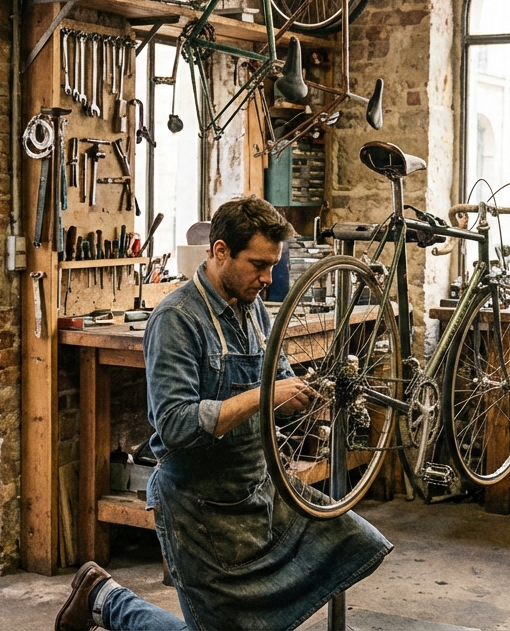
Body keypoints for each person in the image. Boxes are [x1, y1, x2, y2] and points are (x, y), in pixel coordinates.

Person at [56, 197, 393, 631]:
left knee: (354, 542)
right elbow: (176, 425)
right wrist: (264, 394)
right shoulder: (176, 319)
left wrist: (313, 397)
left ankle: (103, 598)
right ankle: (107, 600)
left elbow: (281, 385)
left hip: (259, 488)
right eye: (258, 264)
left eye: (274, 264)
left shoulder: (254, 312)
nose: (268, 278)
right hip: (199, 505)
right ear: (219, 252)